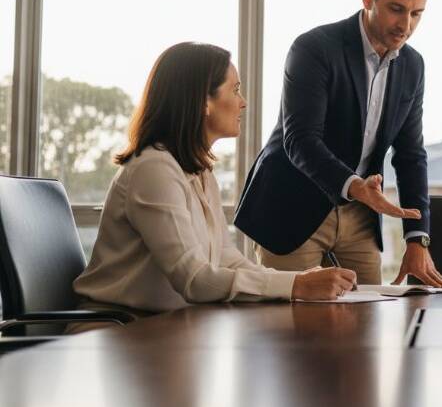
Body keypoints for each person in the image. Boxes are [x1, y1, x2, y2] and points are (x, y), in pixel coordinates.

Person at [72, 43, 355, 322]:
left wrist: (298, 279)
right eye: (234, 90)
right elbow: (194, 279)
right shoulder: (154, 169)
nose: (243, 101)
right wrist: (296, 287)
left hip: (165, 327)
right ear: (203, 102)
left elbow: (226, 258)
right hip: (116, 331)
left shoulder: (199, 172)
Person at [235, 0, 442, 288]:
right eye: (396, 9)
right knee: (290, 328)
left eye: (416, 14)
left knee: (365, 321)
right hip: (292, 206)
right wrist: (355, 186)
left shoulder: (412, 66)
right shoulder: (314, 48)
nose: (405, 25)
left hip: (359, 217)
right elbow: (301, 140)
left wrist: (417, 238)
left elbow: (411, 155)